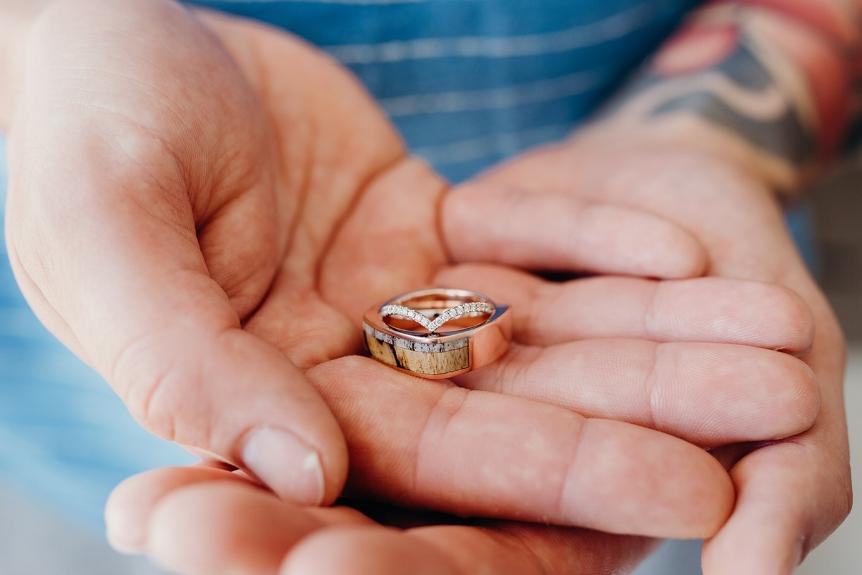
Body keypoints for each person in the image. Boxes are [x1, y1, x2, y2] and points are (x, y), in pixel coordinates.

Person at [0, 0, 852, 573]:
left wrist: (714, 140)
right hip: (105, 343)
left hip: (637, 310)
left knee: (657, 507)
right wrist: (42, 33)